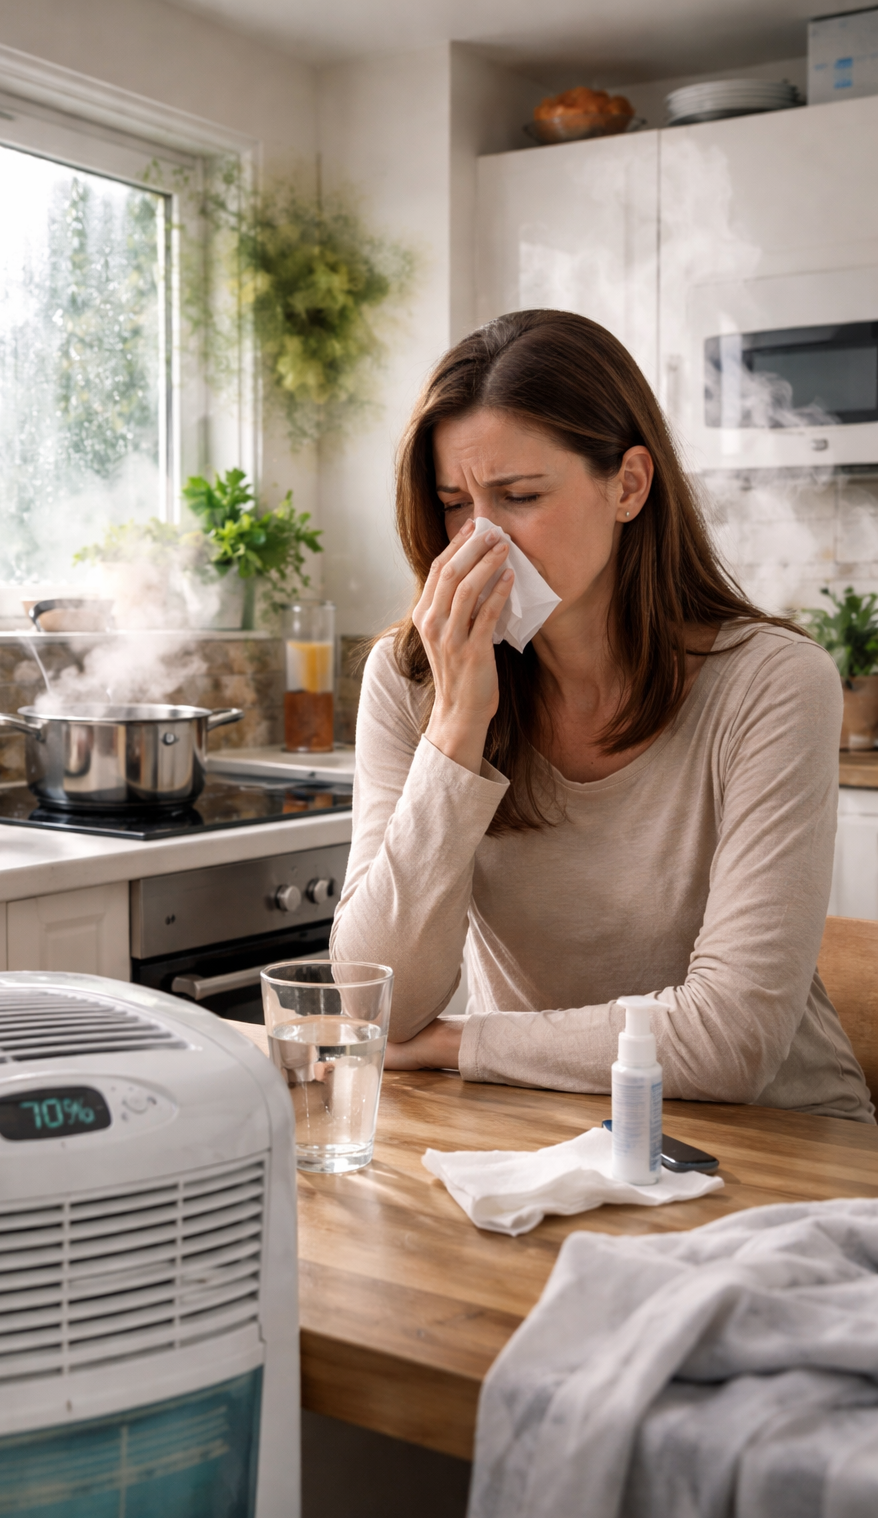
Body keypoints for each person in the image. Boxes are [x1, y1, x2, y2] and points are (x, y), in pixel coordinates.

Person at [329, 310, 873, 1122]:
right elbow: (383, 1002)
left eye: (520, 496)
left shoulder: (771, 682)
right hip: (546, 1133)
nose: (480, 539)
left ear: (628, 486)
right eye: (453, 503)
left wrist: (459, 1045)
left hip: (777, 1153)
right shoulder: (411, 681)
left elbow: (733, 1041)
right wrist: (455, 729)